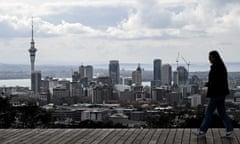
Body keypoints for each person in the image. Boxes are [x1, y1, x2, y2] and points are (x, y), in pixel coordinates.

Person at [195, 50, 233, 137]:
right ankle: (229, 130)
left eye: (210, 57)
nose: (209, 59)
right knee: (222, 112)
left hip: (216, 94)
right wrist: (209, 83)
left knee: (208, 113)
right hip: (221, 93)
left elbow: (216, 81)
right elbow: (218, 81)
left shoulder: (216, 67)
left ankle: (202, 131)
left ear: (214, 57)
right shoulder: (221, 66)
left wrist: (209, 84)